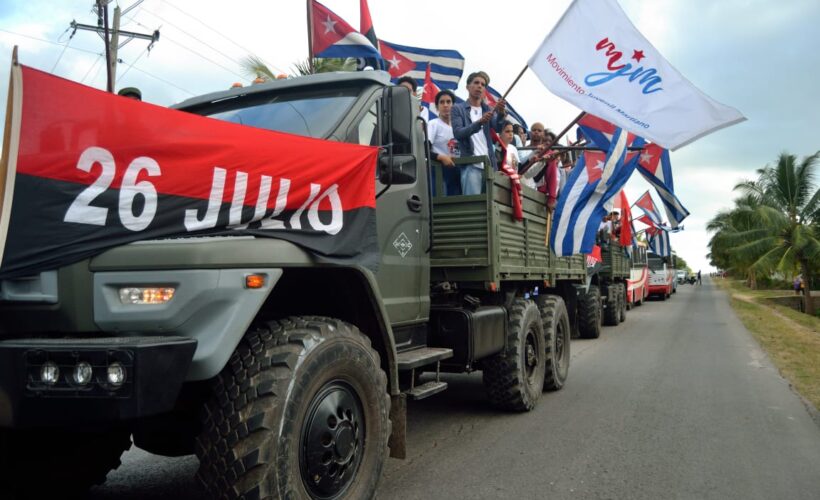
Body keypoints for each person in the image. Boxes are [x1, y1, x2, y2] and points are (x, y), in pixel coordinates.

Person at [451, 71, 506, 195]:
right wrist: (479, 123)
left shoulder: (488, 109)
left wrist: (501, 113)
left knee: (489, 209)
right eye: (476, 83)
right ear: (467, 87)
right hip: (471, 166)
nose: (480, 86)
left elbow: (497, 128)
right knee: (473, 207)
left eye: (483, 84)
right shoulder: (457, 108)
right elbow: (458, 133)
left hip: (489, 167)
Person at [427, 89, 461, 196]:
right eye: (441, 102)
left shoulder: (459, 127)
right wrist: (441, 157)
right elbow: (424, 149)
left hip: (457, 173)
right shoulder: (433, 124)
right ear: (437, 107)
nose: (445, 105)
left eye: (448, 102)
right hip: (438, 173)